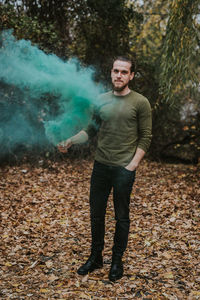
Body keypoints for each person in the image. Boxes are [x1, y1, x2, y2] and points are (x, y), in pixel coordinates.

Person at [57, 56, 152, 281]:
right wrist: (70, 140)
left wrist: (132, 165)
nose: (119, 75)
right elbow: (90, 131)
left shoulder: (140, 102)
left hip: (123, 169)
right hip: (101, 166)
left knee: (121, 217)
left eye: (124, 72)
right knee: (96, 214)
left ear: (131, 76)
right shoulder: (100, 100)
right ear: (111, 73)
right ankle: (96, 257)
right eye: (116, 71)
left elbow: (146, 137)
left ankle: (117, 262)